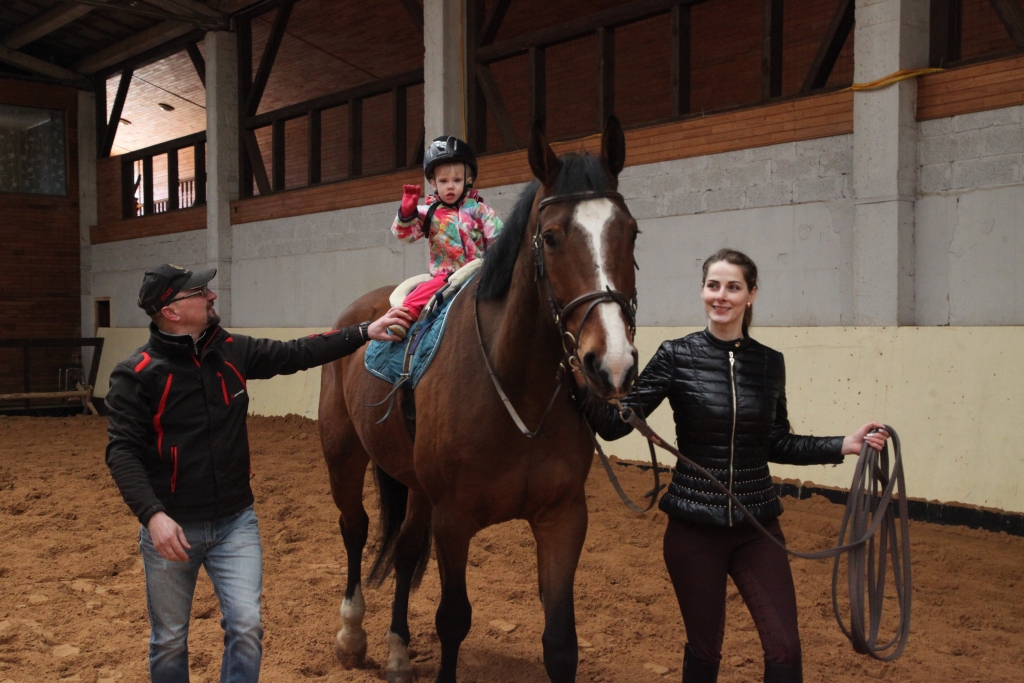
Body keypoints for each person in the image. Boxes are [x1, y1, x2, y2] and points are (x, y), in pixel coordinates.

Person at [577, 248, 890, 683]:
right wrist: (577, 378)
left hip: (756, 526)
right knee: (705, 653)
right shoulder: (675, 355)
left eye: (732, 287)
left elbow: (776, 442)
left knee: (785, 649)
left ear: (751, 295)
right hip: (692, 529)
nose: (720, 296)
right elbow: (614, 425)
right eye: (713, 285)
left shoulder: (768, 362)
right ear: (703, 291)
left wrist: (844, 444)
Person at [104, 263, 411, 683]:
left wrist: (363, 332)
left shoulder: (229, 350)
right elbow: (121, 452)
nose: (211, 296)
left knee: (247, 626)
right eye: (200, 293)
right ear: (171, 311)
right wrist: (153, 516)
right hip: (172, 527)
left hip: (235, 524)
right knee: (170, 639)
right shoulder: (135, 375)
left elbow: (298, 352)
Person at [388, 135, 503, 338]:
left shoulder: (480, 210)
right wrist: (406, 214)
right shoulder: (428, 212)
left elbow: (499, 238)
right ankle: (403, 320)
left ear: (468, 180)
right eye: (443, 181)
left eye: (457, 180)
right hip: (445, 276)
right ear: (433, 183)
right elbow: (404, 235)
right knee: (420, 295)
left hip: (478, 272)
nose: (450, 186)